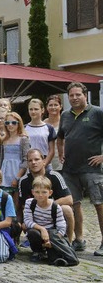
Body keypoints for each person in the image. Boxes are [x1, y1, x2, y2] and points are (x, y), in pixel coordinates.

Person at [56, 82, 103, 255]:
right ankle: (79, 239)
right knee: (75, 205)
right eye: (71, 95)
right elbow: (60, 137)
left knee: (99, 205)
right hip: (70, 169)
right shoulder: (66, 115)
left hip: (92, 169)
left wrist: (102, 157)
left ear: (85, 95)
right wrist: (60, 154)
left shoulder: (97, 113)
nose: (74, 98)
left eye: (78, 95)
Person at [19, 149, 74, 243]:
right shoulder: (23, 181)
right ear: (27, 163)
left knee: (67, 209)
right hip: (36, 216)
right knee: (24, 224)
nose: (34, 163)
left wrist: (47, 206)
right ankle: (36, 246)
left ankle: (68, 242)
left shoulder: (55, 176)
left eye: (37, 159)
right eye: (30, 160)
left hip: (55, 213)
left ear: (44, 161)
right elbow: (24, 206)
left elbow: (69, 199)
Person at [23, 176, 74, 266]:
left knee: (53, 258)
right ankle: (38, 251)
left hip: (52, 234)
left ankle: (63, 256)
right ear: (32, 192)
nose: (40, 195)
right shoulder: (29, 203)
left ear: (50, 193)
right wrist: (42, 229)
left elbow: (61, 226)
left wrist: (53, 240)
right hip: (38, 231)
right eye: (37, 192)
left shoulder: (55, 207)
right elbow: (27, 221)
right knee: (31, 232)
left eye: (44, 192)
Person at [0, 112, 29, 207]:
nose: (10, 125)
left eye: (13, 122)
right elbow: (2, 159)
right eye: (7, 123)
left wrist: (18, 177)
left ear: (19, 123)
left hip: (17, 172)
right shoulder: (4, 139)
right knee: (6, 201)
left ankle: (16, 221)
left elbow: (26, 160)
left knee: (17, 203)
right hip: (5, 173)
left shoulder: (23, 139)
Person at [26, 99, 56, 171]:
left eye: (36, 109)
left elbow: (52, 150)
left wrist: (44, 164)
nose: (33, 112)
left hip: (46, 166)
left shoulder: (49, 128)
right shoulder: (24, 128)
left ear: (42, 110)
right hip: (29, 166)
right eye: (31, 109)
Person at [44, 95, 63, 171]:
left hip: (62, 161)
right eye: (50, 105)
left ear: (60, 107)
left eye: (56, 105)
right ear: (46, 107)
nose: (53, 107)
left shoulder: (65, 122)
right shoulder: (43, 124)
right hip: (47, 162)